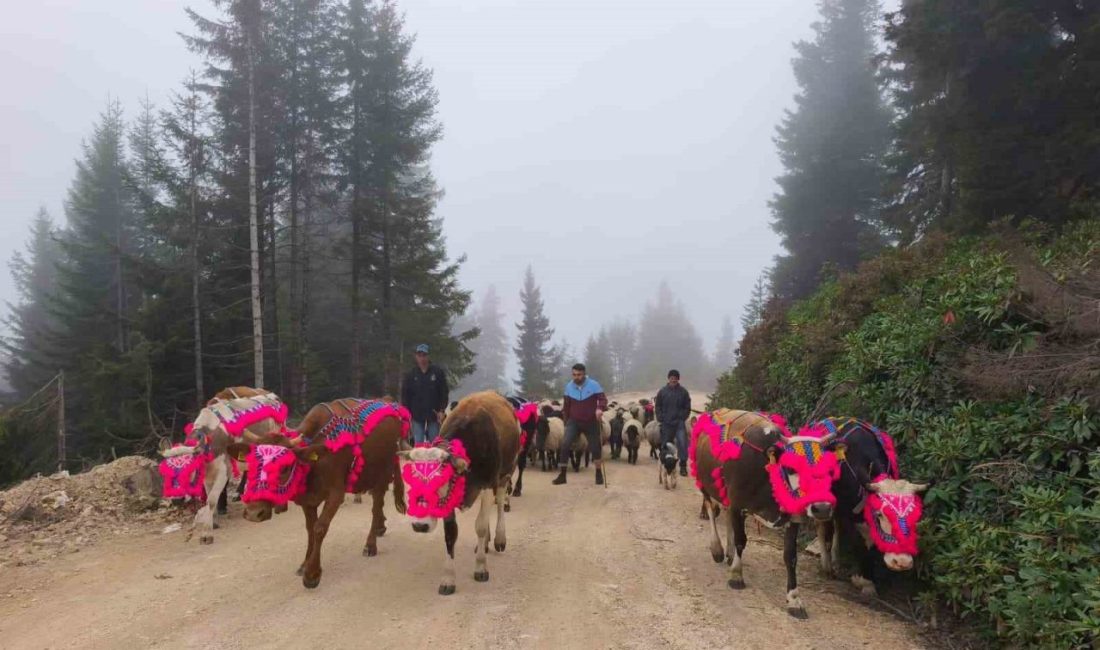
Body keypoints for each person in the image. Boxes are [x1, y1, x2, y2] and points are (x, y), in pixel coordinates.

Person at [553, 363, 608, 486]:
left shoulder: (594, 385)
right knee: (565, 444)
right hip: (574, 421)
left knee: (595, 448)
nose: (576, 377)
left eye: (579, 375)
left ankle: (598, 473)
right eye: (574, 374)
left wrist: (600, 408)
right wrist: (566, 421)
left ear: (584, 374)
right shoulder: (569, 387)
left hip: (591, 421)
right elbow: (566, 405)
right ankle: (562, 475)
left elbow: (603, 399)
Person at [401, 344, 450, 444]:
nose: (422, 358)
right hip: (416, 415)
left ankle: (434, 460)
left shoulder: (437, 372)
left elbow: (444, 392)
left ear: (428, 356)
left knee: (434, 444)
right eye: (420, 355)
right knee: (418, 444)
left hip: (434, 414)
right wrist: (406, 413)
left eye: (424, 355)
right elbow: (406, 395)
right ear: (416, 357)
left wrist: (441, 410)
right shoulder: (411, 374)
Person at [654, 369, 692, 476]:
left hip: (679, 423)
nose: (673, 379)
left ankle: (683, 466)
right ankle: (666, 465)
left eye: (675, 378)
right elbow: (658, 406)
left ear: (678, 379)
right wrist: (660, 417)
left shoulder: (683, 392)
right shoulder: (662, 391)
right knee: (665, 444)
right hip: (666, 422)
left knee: (682, 443)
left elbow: (687, 407)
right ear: (668, 378)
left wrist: (682, 417)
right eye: (671, 377)